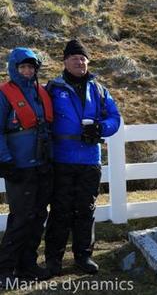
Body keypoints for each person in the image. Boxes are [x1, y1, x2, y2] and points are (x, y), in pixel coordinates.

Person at [45, 39, 120, 276]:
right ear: (65, 61)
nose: (80, 62)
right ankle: (53, 260)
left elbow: (114, 118)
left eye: (83, 58)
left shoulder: (99, 89)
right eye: (75, 58)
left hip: (90, 160)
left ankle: (83, 256)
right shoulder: (52, 88)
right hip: (62, 159)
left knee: (86, 209)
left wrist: (100, 129)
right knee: (60, 209)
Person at [0, 47, 53, 286]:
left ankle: (28, 264)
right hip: (19, 166)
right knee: (20, 217)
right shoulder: (3, 95)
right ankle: (7, 269)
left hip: (41, 163)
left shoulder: (40, 92)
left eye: (31, 67)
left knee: (38, 215)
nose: (28, 71)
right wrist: (6, 161)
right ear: (14, 68)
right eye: (23, 67)